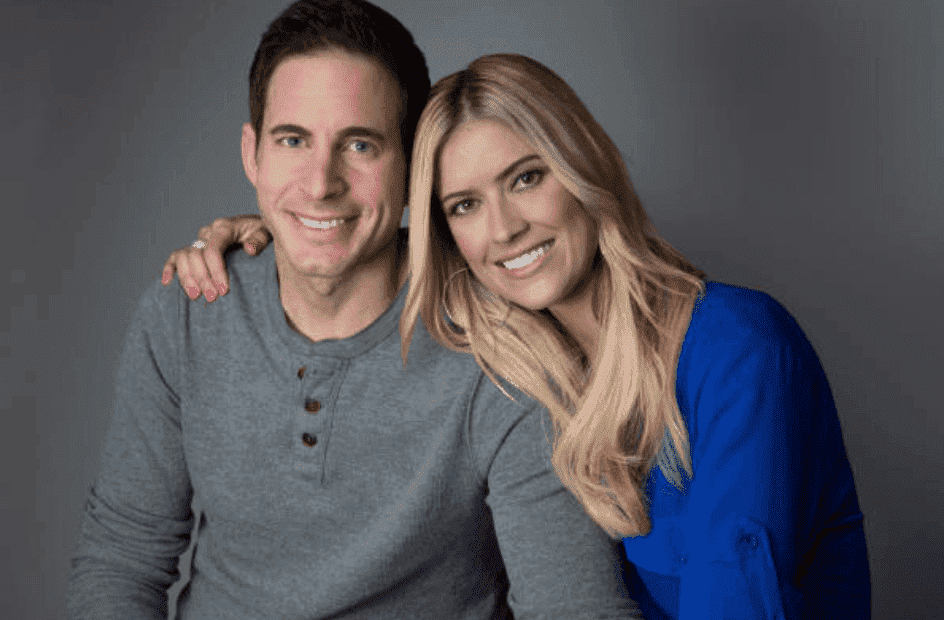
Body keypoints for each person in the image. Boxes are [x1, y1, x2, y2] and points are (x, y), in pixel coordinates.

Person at [168, 52, 872, 618]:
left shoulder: (740, 351)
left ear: (583, 168)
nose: (503, 229)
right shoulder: (508, 361)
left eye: (527, 177)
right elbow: (362, 243)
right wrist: (260, 240)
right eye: (465, 205)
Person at [67, 2, 639, 619]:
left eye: (359, 144)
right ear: (252, 153)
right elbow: (121, 562)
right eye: (293, 140)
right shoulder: (185, 313)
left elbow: (574, 609)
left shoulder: (502, 351)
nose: (320, 183)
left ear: (410, 164)